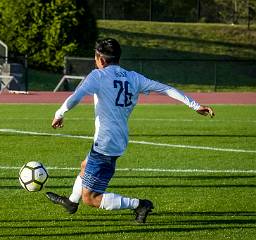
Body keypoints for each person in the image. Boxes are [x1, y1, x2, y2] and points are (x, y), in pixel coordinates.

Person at [46, 38, 215, 223]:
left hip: (105, 142)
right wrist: (195, 105)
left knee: (91, 198)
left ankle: (140, 205)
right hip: (119, 139)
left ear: (100, 59)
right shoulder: (133, 77)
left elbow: (76, 96)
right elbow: (165, 89)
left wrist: (59, 113)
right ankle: (71, 202)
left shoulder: (98, 75)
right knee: (85, 165)